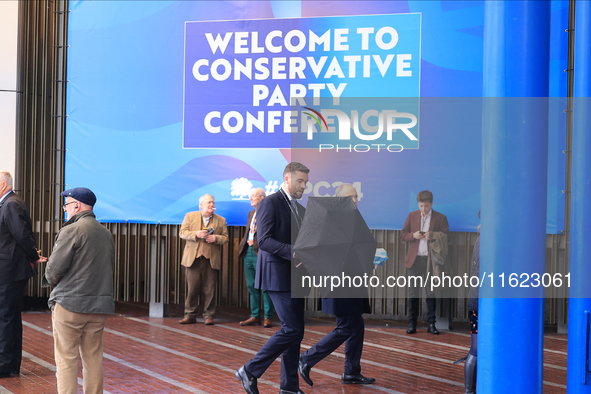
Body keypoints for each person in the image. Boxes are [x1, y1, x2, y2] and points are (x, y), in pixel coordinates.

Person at [236, 162, 309, 394]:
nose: (303, 186)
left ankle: (289, 387)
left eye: (306, 182)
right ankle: (249, 370)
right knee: (292, 330)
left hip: (296, 276)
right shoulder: (269, 202)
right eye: (300, 181)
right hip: (276, 275)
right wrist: (294, 251)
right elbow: (264, 240)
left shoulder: (299, 208)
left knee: (295, 332)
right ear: (287, 178)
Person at [298, 183, 375, 387]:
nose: (355, 200)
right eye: (350, 197)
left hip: (353, 282)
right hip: (340, 283)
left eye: (356, 196)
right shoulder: (330, 221)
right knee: (346, 327)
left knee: (356, 326)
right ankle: (306, 358)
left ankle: (351, 372)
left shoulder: (354, 219)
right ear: (339, 200)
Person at [44, 187, 114, 394]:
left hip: (69, 305)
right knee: (93, 358)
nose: (65, 209)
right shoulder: (106, 233)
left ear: (77, 206)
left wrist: (48, 280)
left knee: (66, 359)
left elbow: (54, 269)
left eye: (67, 205)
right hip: (99, 306)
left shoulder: (71, 230)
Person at [0, 171, 46, 378]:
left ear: (2, 185)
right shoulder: (8, 203)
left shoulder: (11, 204)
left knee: (5, 317)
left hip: (10, 270)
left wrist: (33, 255)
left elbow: (22, 234)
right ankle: (9, 365)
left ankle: (5, 365)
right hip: (9, 269)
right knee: (8, 316)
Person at [400, 190, 449, 335]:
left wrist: (432, 235)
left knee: (430, 294)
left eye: (426, 206)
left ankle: (431, 325)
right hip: (414, 261)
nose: (423, 209)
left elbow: (447, 237)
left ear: (432, 204)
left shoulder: (440, 218)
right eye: (421, 206)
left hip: (430, 262)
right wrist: (413, 236)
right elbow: (402, 235)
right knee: (413, 294)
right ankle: (412, 324)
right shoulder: (412, 215)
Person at [179, 194, 228, 325]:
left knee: (210, 289)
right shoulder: (190, 216)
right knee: (192, 288)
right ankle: (189, 314)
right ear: (201, 205)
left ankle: (209, 316)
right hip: (193, 259)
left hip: (211, 259)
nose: (212, 205)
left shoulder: (220, 220)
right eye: (209, 203)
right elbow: (182, 232)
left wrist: (216, 238)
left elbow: (225, 237)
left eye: (213, 202)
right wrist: (195, 234)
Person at [238, 188, 274, 328]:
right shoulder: (251, 213)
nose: (251, 198)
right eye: (250, 196)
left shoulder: (269, 212)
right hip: (248, 252)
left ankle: (267, 317)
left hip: (262, 253)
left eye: (253, 196)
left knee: (265, 286)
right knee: (251, 286)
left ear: (262, 198)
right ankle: (254, 316)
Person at [464, 211, 480, 394]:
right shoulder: (487, 240)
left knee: (475, 347)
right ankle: (469, 390)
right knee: (476, 349)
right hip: (481, 302)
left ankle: (469, 390)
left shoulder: (480, 238)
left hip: (475, 301)